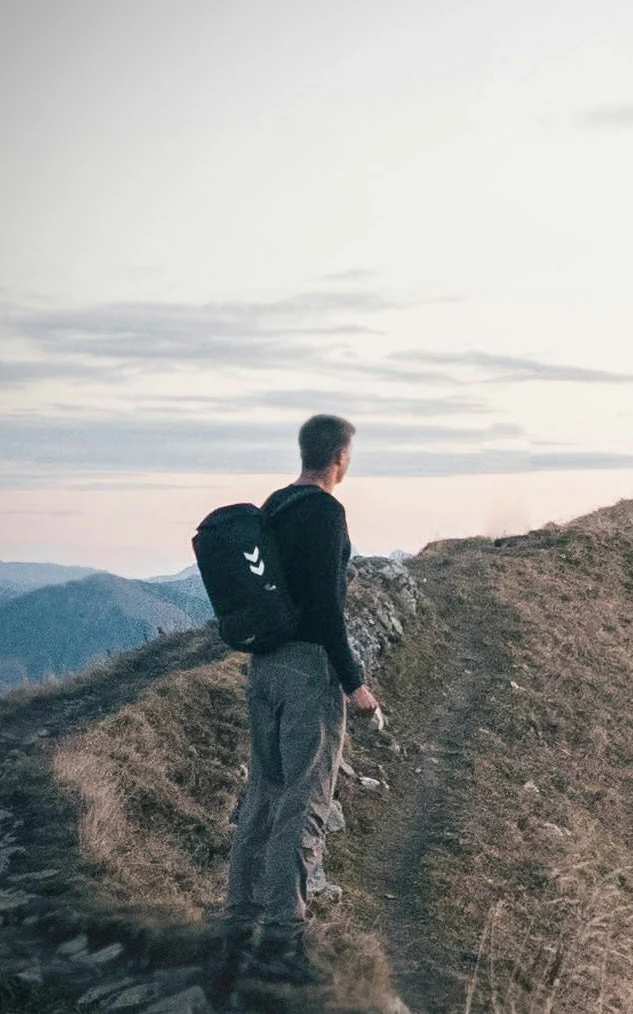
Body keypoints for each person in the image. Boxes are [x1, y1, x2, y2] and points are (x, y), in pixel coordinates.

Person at [215, 414, 379, 990]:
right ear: (339, 456)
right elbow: (328, 610)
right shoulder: (327, 512)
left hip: (264, 669)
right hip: (308, 670)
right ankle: (284, 943)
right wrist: (353, 681)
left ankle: (238, 926)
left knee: (262, 793)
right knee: (304, 801)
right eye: (350, 453)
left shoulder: (277, 504)